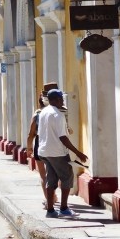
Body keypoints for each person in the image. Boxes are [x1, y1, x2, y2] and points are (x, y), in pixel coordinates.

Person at [38, 89, 88, 218]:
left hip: (44, 151)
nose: (62, 102)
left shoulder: (43, 112)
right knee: (67, 177)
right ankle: (64, 208)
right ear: (56, 99)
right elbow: (63, 138)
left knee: (51, 179)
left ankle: (50, 210)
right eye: (61, 99)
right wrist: (78, 153)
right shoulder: (58, 115)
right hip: (57, 152)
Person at [26, 95, 57, 209]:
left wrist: (29, 148)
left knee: (43, 175)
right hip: (54, 144)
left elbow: (31, 134)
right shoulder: (56, 113)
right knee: (53, 174)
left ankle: (49, 200)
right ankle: (52, 196)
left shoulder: (37, 115)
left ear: (39, 103)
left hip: (40, 143)